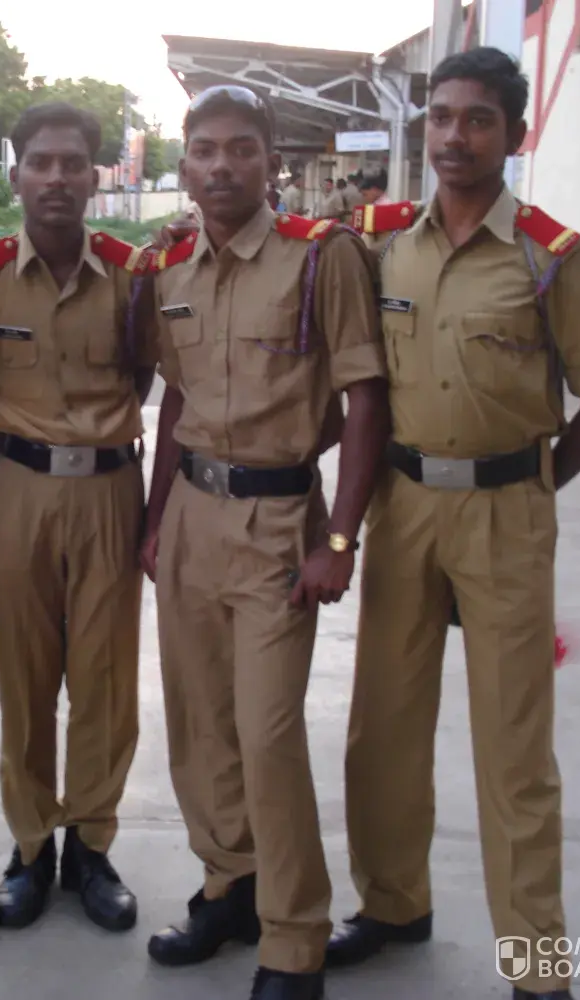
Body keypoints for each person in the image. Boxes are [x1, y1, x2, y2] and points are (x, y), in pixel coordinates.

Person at [326, 48, 580, 1000]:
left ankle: (535, 963)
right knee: (382, 727)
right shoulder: (380, 243)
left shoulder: (551, 256)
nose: (454, 137)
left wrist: (534, 489)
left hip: (505, 513)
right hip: (403, 506)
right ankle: (392, 904)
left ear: (515, 133)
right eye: (441, 117)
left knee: (513, 750)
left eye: (477, 120)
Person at [138, 84, 391, 1000]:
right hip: (190, 516)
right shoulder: (169, 266)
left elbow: (364, 399)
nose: (221, 165)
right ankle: (228, 886)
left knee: (268, 733)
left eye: (240, 148)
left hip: (280, 521)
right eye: (204, 149)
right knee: (199, 722)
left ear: (271, 160)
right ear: (183, 164)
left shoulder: (322, 258)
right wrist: (154, 519)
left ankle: (293, 937)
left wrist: (339, 538)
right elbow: (175, 401)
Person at [0, 101, 158, 935]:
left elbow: (143, 375)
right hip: (20, 491)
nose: (57, 178)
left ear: (96, 176)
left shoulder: (135, 274)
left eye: (73, 163)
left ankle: (91, 848)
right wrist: (28, 441)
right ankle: (31, 848)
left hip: (109, 490)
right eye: (41, 162)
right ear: (16, 175)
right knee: (24, 676)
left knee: (105, 682)